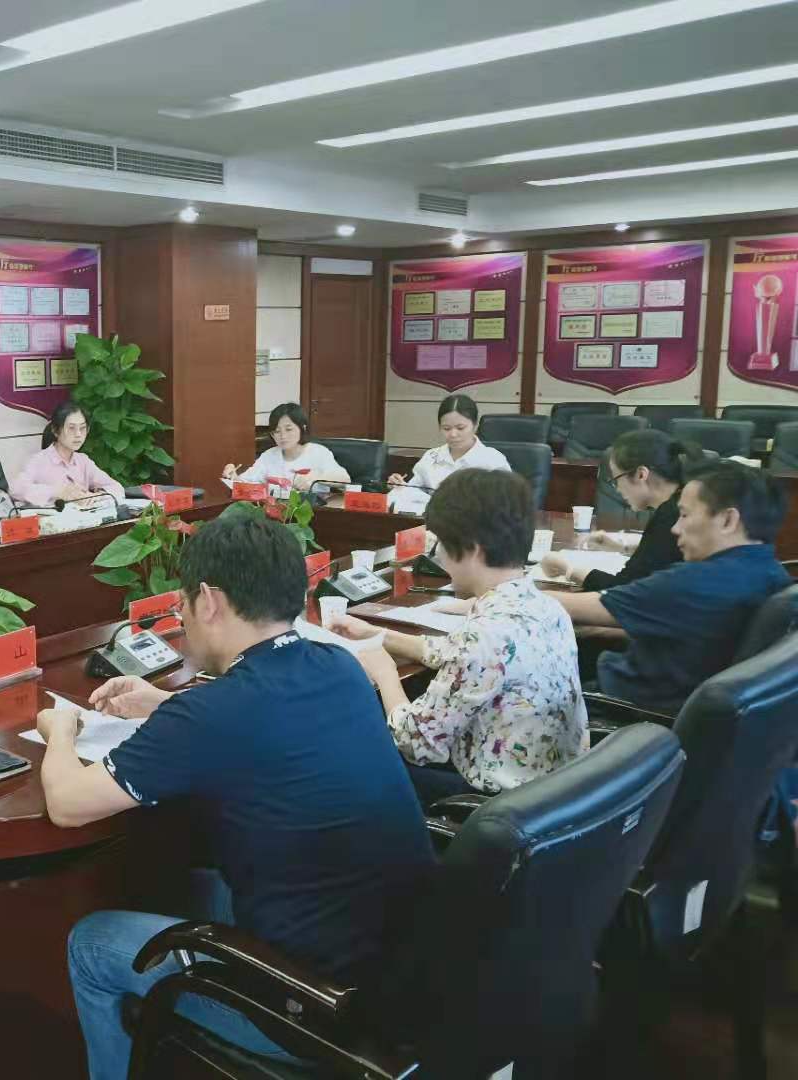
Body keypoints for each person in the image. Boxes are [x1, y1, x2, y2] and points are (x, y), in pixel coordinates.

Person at [37, 514, 435, 1080]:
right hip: (403, 973)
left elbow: (67, 804)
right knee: (189, 883)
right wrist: (164, 703)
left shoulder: (213, 715)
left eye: (180, 604)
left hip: (309, 1009)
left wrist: (60, 730)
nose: (181, 617)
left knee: (91, 944)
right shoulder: (339, 666)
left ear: (208, 601)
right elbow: (255, 714)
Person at [334, 469, 587, 803]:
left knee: (351, 749)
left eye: (440, 543)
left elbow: (415, 743)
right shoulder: (544, 606)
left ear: (473, 550)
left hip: (499, 801)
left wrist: (385, 673)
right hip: (554, 786)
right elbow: (451, 650)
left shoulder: (485, 635)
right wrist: (376, 634)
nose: (437, 556)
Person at [553, 460, 791, 716]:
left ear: (728, 520)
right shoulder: (773, 573)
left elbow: (565, 605)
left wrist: (520, 586)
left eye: (685, 515)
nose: (675, 528)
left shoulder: (694, 583)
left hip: (617, 707)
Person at [540, 429, 688, 590]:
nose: (616, 489)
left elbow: (624, 589)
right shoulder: (680, 503)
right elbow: (660, 553)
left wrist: (567, 569)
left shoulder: (671, 516)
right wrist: (621, 547)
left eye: (616, 479)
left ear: (641, 474)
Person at [10, 401, 125, 508]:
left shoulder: (83, 461)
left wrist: (97, 496)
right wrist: (57, 492)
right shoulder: (38, 461)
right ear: (55, 430)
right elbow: (16, 490)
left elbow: (116, 487)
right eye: (71, 428)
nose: (78, 434)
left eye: (82, 428)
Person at [387, 393, 509, 492]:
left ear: (475, 425)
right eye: (446, 428)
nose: (453, 434)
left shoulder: (493, 460)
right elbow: (414, 492)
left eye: (460, 428)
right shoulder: (431, 456)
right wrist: (400, 486)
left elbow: (506, 501)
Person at [222, 403, 349, 490]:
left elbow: (345, 479)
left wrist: (316, 478)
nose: (282, 436)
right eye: (277, 431)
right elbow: (246, 483)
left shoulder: (317, 452)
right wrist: (233, 476)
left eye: (288, 429)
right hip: (274, 512)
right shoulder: (269, 455)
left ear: (302, 428)